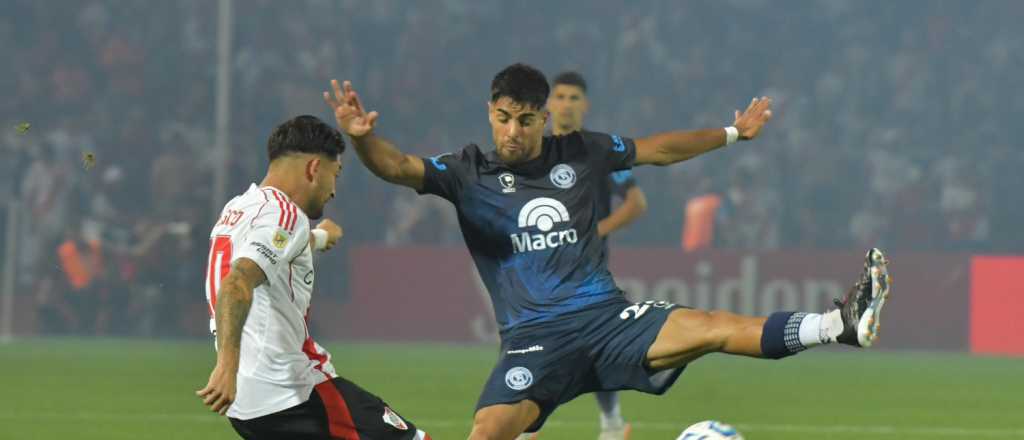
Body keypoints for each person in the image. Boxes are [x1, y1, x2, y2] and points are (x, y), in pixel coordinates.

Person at [323, 64, 891, 440]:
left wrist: (732, 133)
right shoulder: (466, 171)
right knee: (487, 434)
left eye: (525, 119)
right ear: (490, 113)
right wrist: (361, 137)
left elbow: (659, 150)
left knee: (714, 326)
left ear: (543, 117)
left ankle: (838, 325)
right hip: (534, 339)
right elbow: (395, 167)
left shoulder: (584, 152)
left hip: (608, 319)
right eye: (503, 119)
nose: (513, 131)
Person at [196, 115, 430, 440]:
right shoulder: (286, 215)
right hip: (292, 391)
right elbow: (237, 283)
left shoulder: (238, 208)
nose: (333, 191)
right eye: (335, 175)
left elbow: (270, 250)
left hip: (248, 405)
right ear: (313, 169)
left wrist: (317, 238)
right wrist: (226, 365)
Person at [546, 70, 647, 440]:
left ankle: (610, 422)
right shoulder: (531, 153)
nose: (566, 104)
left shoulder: (602, 152)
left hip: (586, 270)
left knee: (585, 344)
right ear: (548, 104)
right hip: (538, 269)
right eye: (560, 97)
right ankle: (611, 423)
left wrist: (594, 231)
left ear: (585, 105)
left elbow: (636, 204)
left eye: (574, 98)